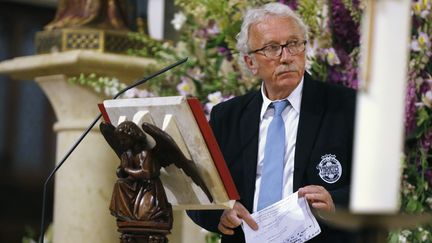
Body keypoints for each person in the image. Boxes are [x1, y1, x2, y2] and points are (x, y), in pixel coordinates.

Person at [187, 2, 356, 243]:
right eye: (272, 48)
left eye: (294, 44)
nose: (286, 57)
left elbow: (379, 191)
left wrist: (335, 202)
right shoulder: (227, 117)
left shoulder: (346, 107)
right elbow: (199, 193)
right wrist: (219, 215)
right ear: (250, 63)